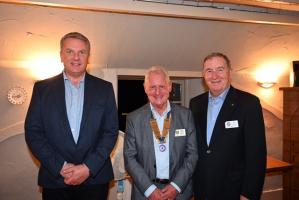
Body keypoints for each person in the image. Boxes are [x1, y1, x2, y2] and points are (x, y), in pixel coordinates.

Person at [25, 32, 118, 200]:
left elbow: (110, 132)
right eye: (70, 51)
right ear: (61, 55)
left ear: (88, 57)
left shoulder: (105, 89)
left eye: (82, 52)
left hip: (95, 179)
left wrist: (88, 167)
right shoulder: (42, 89)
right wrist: (60, 166)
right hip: (55, 179)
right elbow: (33, 132)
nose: (76, 57)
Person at [190, 52, 267, 200]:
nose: (214, 76)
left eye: (220, 69)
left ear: (229, 72)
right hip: (202, 188)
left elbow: (256, 154)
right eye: (209, 71)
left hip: (234, 191)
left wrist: (248, 193)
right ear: (203, 75)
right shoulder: (195, 103)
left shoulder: (248, 103)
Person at [124, 66, 198, 200]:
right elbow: (129, 158)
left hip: (179, 192)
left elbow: (192, 155)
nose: (157, 92)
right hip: (144, 192)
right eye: (152, 87)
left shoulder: (186, 116)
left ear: (169, 87)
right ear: (145, 88)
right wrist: (150, 190)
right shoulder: (133, 119)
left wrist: (176, 186)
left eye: (162, 86)